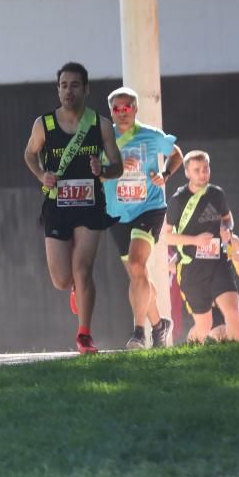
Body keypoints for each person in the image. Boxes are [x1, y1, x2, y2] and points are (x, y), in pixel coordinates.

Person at [23, 62, 122, 355]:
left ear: (86, 89)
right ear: (58, 89)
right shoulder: (45, 124)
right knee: (62, 279)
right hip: (57, 206)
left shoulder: (100, 124)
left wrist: (102, 168)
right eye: (64, 85)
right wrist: (42, 175)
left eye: (75, 85)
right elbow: (29, 154)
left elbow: (117, 166)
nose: (69, 90)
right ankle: (74, 288)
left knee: (83, 269)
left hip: (90, 205)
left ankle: (84, 334)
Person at [102, 87, 183, 349]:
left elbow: (176, 154)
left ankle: (139, 332)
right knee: (138, 275)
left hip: (149, 208)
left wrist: (165, 174)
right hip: (117, 213)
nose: (122, 113)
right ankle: (160, 325)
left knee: (137, 264)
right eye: (117, 108)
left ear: (135, 109)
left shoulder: (150, 136)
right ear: (111, 112)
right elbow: (96, 175)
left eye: (127, 107)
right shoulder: (103, 139)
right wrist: (114, 168)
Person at [163, 150, 239, 343]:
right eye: (197, 170)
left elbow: (228, 219)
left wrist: (227, 229)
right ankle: (189, 351)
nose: (202, 174)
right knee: (204, 324)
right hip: (192, 268)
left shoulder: (217, 194)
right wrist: (195, 240)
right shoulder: (178, 200)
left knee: (233, 311)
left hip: (218, 261)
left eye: (205, 169)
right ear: (187, 173)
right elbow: (165, 237)